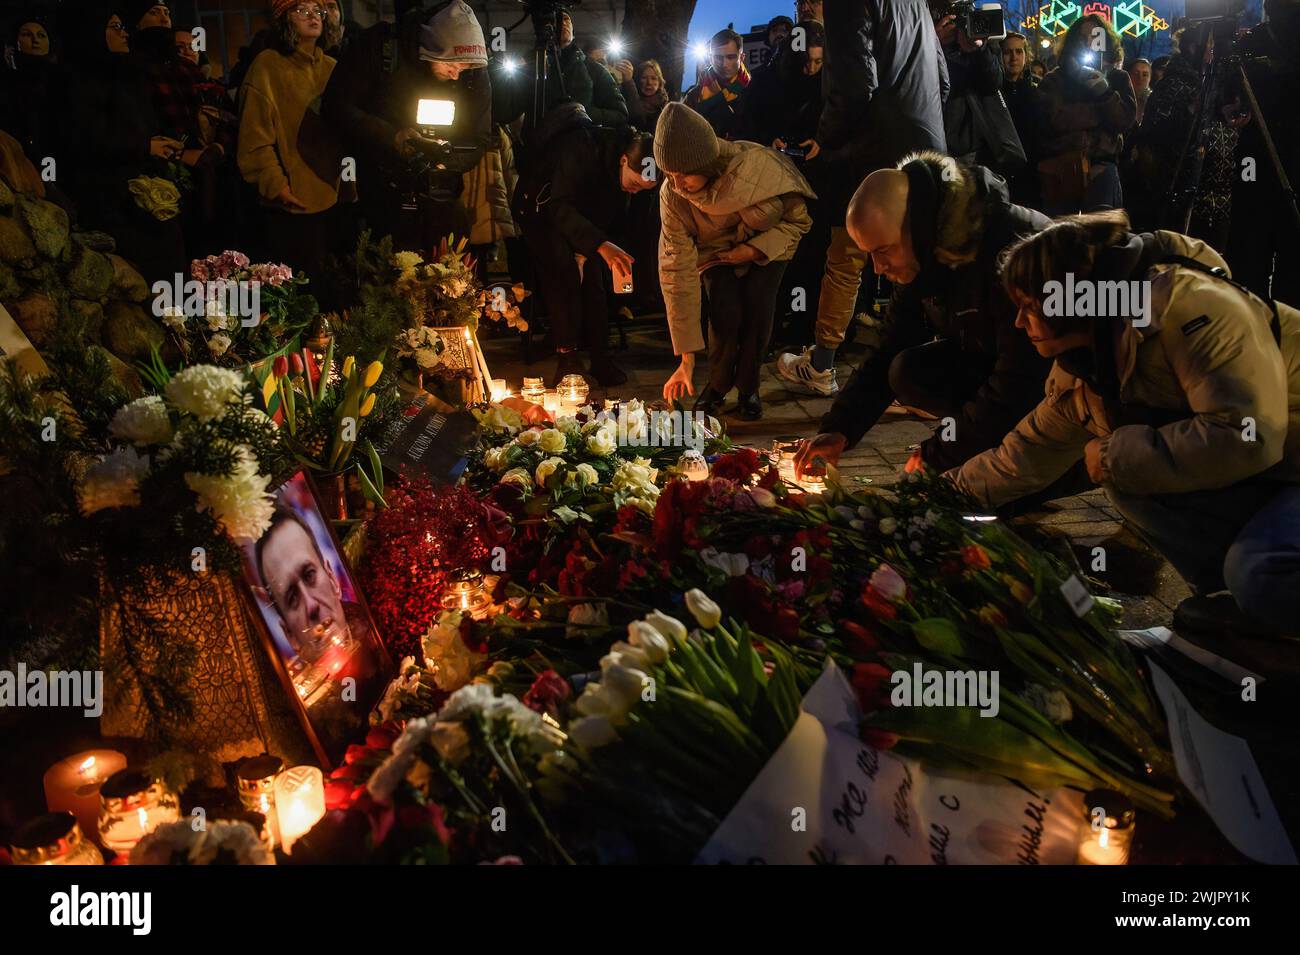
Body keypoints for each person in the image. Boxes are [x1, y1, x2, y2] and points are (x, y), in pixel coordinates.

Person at [950, 210, 1300, 639]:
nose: (1019, 323)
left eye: (1027, 307)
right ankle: (1226, 598)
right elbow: (1027, 451)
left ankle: (1259, 606)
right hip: (1280, 466)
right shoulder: (1090, 360)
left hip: (1277, 456)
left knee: (1261, 575)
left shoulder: (1192, 309)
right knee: (1125, 473)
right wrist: (946, 493)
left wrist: (1118, 453)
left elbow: (1247, 435)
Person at [794, 152, 1058, 483]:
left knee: (987, 493)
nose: (878, 268)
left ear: (917, 228)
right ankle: (986, 452)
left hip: (1062, 397)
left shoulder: (1010, 252)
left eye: (883, 250)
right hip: (995, 365)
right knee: (907, 370)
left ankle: (1042, 472)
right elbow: (887, 348)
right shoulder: (927, 252)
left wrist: (939, 454)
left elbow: (1019, 381)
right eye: (870, 255)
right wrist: (840, 429)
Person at [775, 0, 948, 398]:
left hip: (873, 150)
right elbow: (942, 77)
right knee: (921, 254)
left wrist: (826, 136)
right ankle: (930, 369)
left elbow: (854, 84)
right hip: (926, 144)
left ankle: (821, 365)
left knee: (846, 256)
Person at [657, 103, 815, 420]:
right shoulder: (673, 197)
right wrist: (686, 359)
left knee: (758, 308)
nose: (676, 184)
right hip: (715, 252)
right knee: (724, 311)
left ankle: (748, 387)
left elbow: (798, 222)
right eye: (668, 175)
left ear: (707, 162)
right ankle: (717, 385)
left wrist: (754, 250)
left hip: (768, 248)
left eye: (684, 174)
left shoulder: (760, 168)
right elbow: (677, 271)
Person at [324, 0, 492, 253]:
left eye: (465, 67)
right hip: (379, 188)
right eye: (450, 64)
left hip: (442, 196)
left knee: (444, 274)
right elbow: (337, 107)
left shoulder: (473, 72)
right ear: (429, 47)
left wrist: (443, 164)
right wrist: (392, 137)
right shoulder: (379, 49)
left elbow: (480, 136)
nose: (456, 74)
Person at [53, 1, 187, 283]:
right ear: (93, 33)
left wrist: (154, 141)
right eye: (115, 27)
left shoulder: (125, 73)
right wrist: (144, 146)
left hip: (144, 188)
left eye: (123, 27)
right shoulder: (79, 81)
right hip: (113, 198)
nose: (124, 33)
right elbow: (85, 139)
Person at [514, 123, 657, 386]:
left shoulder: (626, 174)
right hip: (542, 211)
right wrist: (598, 246)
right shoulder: (583, 148)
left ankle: (600, 358)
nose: (635, 191)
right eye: (635, 183)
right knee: (565, 276)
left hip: (584, 222)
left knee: (594, 284)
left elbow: (612, 215)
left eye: (643, 189)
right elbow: (560, 206)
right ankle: (568, 361)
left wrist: (593, 250)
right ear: (624, 160)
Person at [237, 1, 345, 280]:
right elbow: (254, 137)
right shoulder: (267, 67)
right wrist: (276, 184)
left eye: (318, 10)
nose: (313, 16)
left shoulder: (333, 68)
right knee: (298, 290)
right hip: (291, 204)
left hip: (334, 197)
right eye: (301, 10)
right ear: (284, 19)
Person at [1123, 22, 1247, 250]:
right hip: (1177, 195)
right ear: (1193, 48)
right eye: (1211, 48)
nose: (1216, 54)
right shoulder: (1175, 85)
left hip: (1213, 199)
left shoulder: (1210, 84)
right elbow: (1160, 138)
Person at [1035, 13, 1135, 215]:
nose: (1090, 41)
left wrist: (1106, 93)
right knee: (1063, 236)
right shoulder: (1054, 80)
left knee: (1103, 235)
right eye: (1083, 37)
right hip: (1063, 169)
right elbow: (1053, 119)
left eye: (1096, 35)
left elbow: (1125, 120)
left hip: (1103, 168)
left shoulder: (1118, 78)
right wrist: (1099, 112)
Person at [0, 15, 58, 165]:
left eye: (41, 35)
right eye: (27, 34)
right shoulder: (8, 82)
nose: (35, 40)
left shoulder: (61, 80)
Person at [683, 29, 750, 141]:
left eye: (730, 57)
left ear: (742, 58)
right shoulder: (694, 96)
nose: (724, 64)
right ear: (710, 58)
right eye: (718, 57)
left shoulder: (754, 90)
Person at [1000, 32, 1041, 207]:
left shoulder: (1038, 89)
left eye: (1019, 51)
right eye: (1008, 52)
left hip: (1032, 171)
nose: (1014, 57)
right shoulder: (992, 91)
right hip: (1002, 170)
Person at [579, 35, 629, 126]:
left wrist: (629, 82)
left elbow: (631, 116)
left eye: (601, 63)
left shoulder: (616, 85)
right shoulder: (579, 84)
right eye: (592, 63)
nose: (597, 67)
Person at [634, 59, 669, 126]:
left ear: (659, 82)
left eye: (653, 78)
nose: (649, 82)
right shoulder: (631, 101)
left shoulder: (665, 107)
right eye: (644, 78)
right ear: (638, 80)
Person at [1129, 56, 1151, 122]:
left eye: (1145, 75)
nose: (1140, 78)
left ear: (1150, 79)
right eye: (1136, 73)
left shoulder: (1153, 101)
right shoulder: (1121, 99)